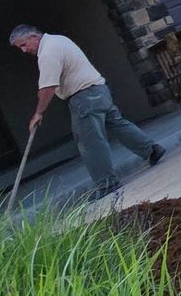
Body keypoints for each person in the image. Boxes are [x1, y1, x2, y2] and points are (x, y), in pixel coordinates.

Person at [9, 25, 164, 198]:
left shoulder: (47, 52)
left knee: (89, 142)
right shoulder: (58, 40)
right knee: (119, 124)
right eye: (19, 48)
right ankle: (152, 150)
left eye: (23, 45)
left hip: (84, 98)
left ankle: (106, 184)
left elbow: (48, 88)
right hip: (99, 90)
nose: (23, 50)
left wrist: (38, 113)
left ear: (33, 37)